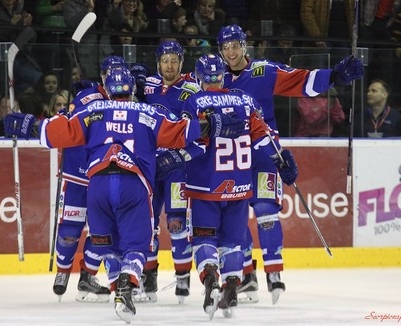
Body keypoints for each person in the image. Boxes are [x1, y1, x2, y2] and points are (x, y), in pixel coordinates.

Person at [4, 66, 245, 323]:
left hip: (97, 186)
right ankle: (126, 289)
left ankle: (117, 284)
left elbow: (55, 132)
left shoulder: (92, 112)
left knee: (108, 246)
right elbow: (183, 132)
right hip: (133, 184)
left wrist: (28, 125)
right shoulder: (148, 112)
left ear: (107, 89)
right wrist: (213, 125)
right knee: (137, 246)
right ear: (132, 90)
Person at [216, 24, 363, 305]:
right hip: (230, 159)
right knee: (231, 218)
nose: (231, 52)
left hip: (263, 155)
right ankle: (247, 274)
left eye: (235, 45)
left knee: (265, 210)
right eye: (225, 47)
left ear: (244, 45)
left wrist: (335, 75)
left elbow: (302, 81)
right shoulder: (215, 77)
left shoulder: (263, 71)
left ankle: (274, 272)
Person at [181, 53, 297, 319]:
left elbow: (189, 140)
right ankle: (231, 286)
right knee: (232, 242)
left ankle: (211, 277)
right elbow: (263, 137)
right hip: (240, 188)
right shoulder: (245, 100)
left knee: (204, 238)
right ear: (222, 75)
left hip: (205, 187)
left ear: (199, 78)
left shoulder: (195, 101)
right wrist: (281, 162)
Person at [49, 56, 129, 304]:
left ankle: (87, 275)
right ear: (102, 76)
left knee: (105, 230)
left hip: (104, 174)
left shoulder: (127, 100)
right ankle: (63, 272)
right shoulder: (86, 98)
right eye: (108, 73)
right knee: (70, 229)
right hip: (77, 170)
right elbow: (71, 124)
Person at [135, 40, 200, 304]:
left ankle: (182, 276)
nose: (169, 65)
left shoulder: (193, 89)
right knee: (146, 224)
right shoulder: (147, 85)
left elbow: (201, 134)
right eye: (165, 60)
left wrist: (178, 156)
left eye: (174, 60)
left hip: (177, 168)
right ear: (158, 62)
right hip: (149, 167)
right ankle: (149, 276)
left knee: (176, 223)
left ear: (181, 62)